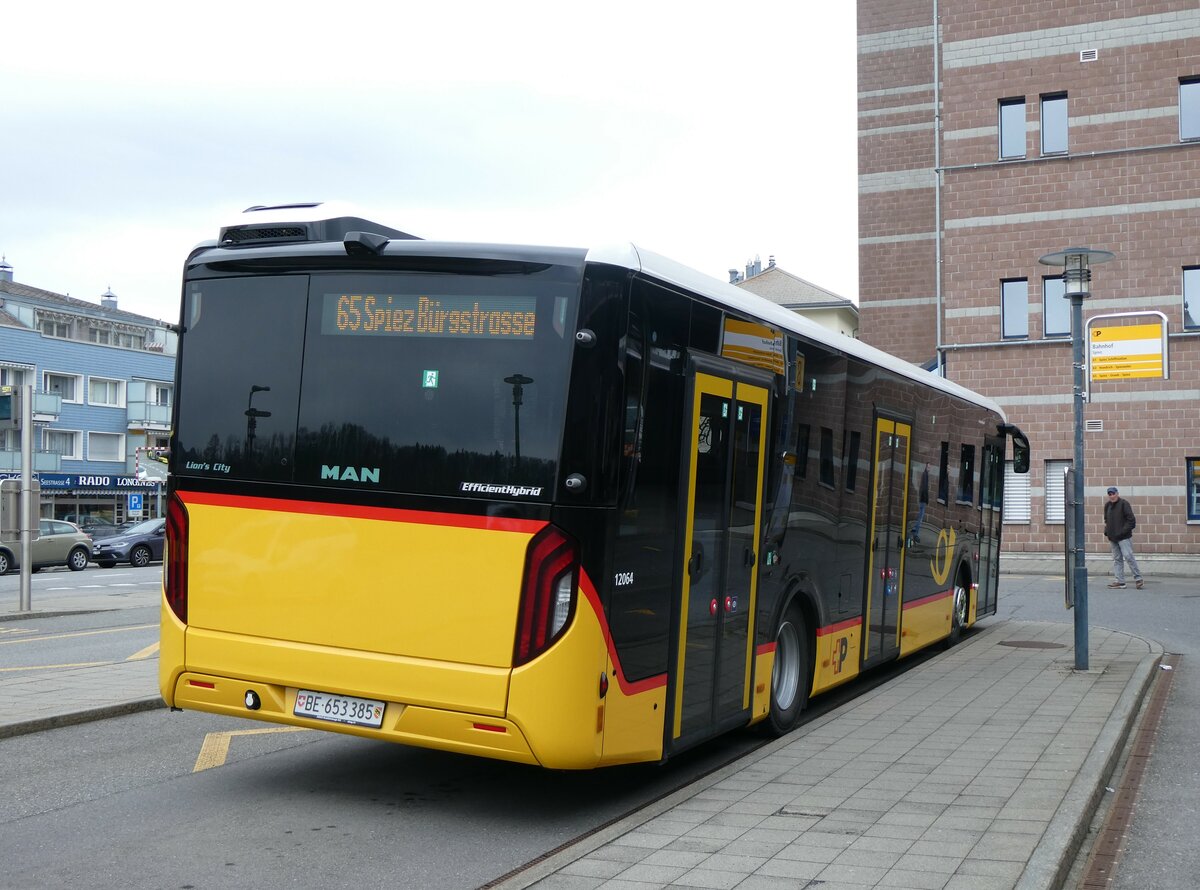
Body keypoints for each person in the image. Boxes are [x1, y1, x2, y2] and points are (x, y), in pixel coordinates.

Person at [1103, 486, 1143, 589]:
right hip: (1112, 538)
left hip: (1124, 537)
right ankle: (1120, 581)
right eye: (1110, 494)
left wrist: (1122, 532)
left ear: (1117, 494)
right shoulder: (1107, 506)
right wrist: (1107, 531)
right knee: (1117, 559)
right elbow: (1106, 520)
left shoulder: (1124, 504)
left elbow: (1131, 521)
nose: (1112, 496)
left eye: (1113, 494)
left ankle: (1138, 578)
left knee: (1128, 556)